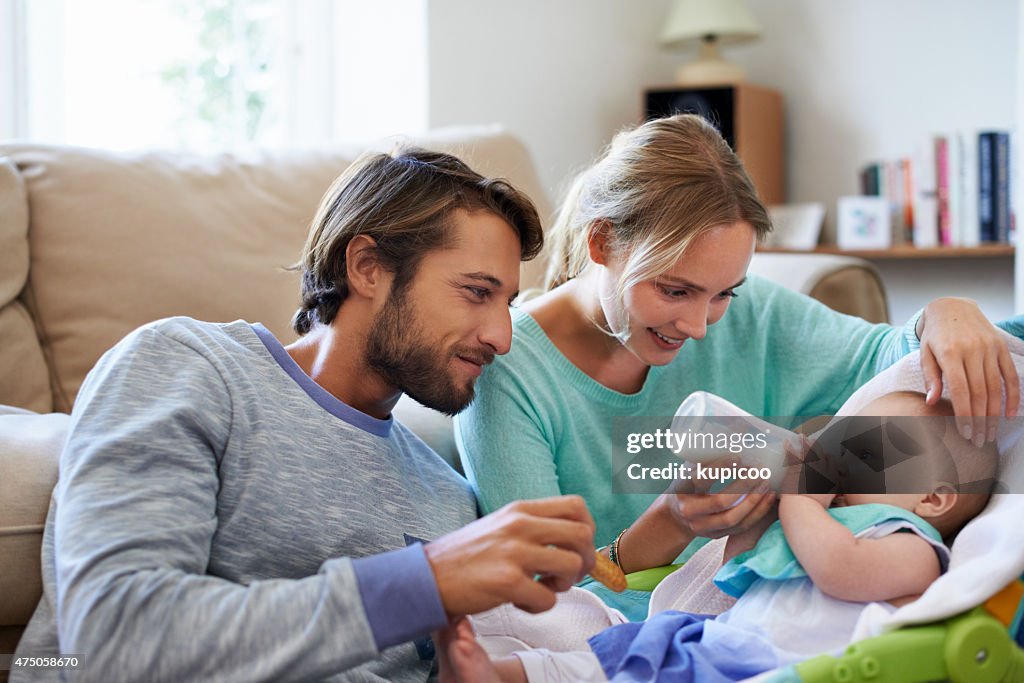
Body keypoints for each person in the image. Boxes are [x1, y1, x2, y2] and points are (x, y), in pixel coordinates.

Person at [12, 149, 599, 683]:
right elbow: (111, 642)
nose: (502, 336)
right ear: (368, 266)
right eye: (476, 291)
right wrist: (428, 579)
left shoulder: (446, 497)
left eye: (509, 304)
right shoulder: (192, 369)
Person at [456, 114, 1019, 600]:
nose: (700, 326)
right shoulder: (507, 374)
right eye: (675, 291)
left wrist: (944, 314)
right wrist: (671, 523)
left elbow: (891, 367)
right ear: (602, 243)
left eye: (725, 292)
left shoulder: (757, 318)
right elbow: (543, 593)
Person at [439, 390, 1000, 682]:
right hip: (720, 637)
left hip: (769, 665)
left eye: (869, 450)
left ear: (932, 499)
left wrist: (803, 498)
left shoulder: (911, 545)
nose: (842, 456)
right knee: (612, 658)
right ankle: (505, 675)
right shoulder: (828, 516)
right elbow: (742, 573)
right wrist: (756, 516)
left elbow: (838, 569)